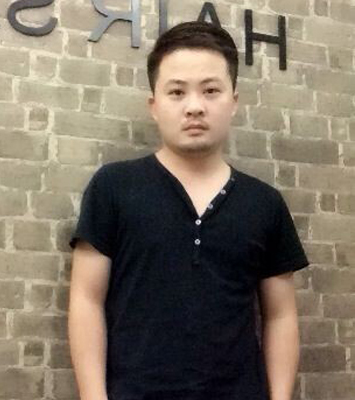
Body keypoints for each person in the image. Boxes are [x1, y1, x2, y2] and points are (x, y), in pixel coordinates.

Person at [68, 20, 310, 400]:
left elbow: (281, 315)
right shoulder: (113, 187)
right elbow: (86, 300)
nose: (194, 106)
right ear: (154, 105)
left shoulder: (264, 203)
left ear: (234, 101)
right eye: (177, 92)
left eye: (211, 90)